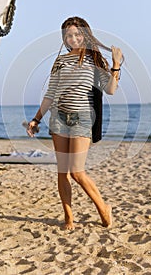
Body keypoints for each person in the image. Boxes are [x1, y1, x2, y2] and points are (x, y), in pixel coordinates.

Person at [27, 17, 123, 230]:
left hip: (82, 118)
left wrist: (116, 65)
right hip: (58, 119)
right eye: (69, 35)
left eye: (77, 34)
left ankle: (103, 208)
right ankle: (68, 218)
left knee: (77, 172)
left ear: (85, 35)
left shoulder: (93, 59)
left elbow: (110, 89)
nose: (73, 38)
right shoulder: (60, 61)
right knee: (63, 172)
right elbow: (50, 93)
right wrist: (36, 119)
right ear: (64, 38)